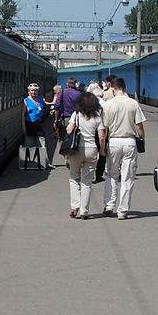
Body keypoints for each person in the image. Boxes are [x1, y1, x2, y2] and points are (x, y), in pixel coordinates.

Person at [101, 77, 146, 219]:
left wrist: (103, 147)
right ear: (125, 88)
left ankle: (109, 204)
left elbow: (105, 129)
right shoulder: (133, 103)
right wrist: (142, 141)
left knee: (111, 174)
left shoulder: (108, 104)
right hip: (129, 142)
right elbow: (139, 126)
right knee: (127, 177)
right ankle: (123, 210)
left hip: (114, 141)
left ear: (112, 89)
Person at [66, 92, 106, 220]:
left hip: (76, 151)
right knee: (87, 182)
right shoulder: (97, 117)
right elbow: (101, 136)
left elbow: (69, 130)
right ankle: (84, 211)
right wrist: (102, 150)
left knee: (74, 178)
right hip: (91, 150)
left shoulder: (76, 115)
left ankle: (75, 206)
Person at [21, 83, 46, 147]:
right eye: (32, 90)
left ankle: (42, 156)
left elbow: (42, 111)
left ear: (38, 91)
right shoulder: (26, 100)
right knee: (29, 144)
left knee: (42, 143)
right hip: (29, 124)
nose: (34, 92)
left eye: (35, 90)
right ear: (29, 91)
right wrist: (24, 127)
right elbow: (23, 115)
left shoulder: (40, 99)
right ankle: (29, 156)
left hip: (38, 124)